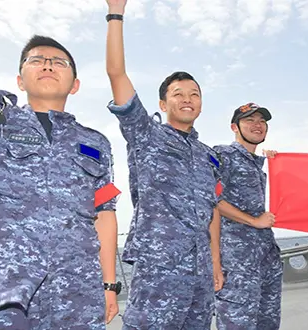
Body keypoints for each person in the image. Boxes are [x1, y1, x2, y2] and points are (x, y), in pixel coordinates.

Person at [0, 1, 121, 328]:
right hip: (2, 297)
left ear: (75, 84)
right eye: (37, 60)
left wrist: (109, 286)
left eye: (59, 61)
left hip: (78, 295)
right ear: (20, 79)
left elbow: (104, 214)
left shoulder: (97, 144)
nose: (48, 64)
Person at [104, 0, 224, 329]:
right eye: (178, 93)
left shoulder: (206, 155)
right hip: (159, 268)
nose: (187, 99)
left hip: (201, 272)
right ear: (162, 102)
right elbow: (117, 74)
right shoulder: (146, 134)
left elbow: (211, 211)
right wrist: (116, 13)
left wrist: (215, 261)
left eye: (194, 94)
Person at [213, 103, 283, 330]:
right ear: (235, 127)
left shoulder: (256, 163)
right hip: (237, 260)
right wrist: (254, 221)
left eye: (262, 121)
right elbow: (212, 198)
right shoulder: (223, 155)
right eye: (250, 120)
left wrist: (277, 163)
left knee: (268, 322)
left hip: (265, 256)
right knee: (237, 323)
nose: (257, 125)